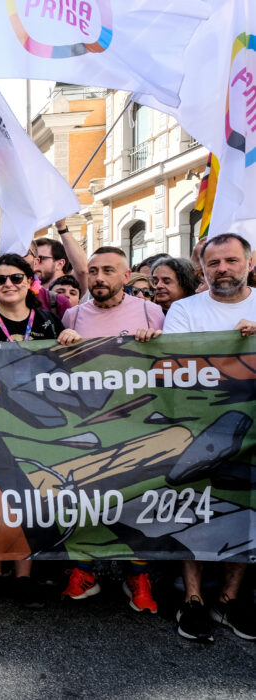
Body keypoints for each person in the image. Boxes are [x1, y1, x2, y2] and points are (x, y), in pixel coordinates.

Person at [0, 253, 81, 607]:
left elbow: (70, 368)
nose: (8, 284)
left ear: (29, 282)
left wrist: (71, 338)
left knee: (29, 496)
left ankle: (24, 576)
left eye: (16, 278)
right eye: (0, 279)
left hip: (38, 420)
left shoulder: (50, 321)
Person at [156, 233, 256, 643]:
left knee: (246, 508)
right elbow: (177, 364)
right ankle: (193, 599)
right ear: (202, 269)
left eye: (231, 261)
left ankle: (230, 599)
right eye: (213, 263)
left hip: (251, 431)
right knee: (192, 508)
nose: (223, 270)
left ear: (249, 263)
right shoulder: (183, 309)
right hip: (197, 426)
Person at [59, 247, 165, 613]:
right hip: (90, 422)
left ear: (126, 276)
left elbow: (175, 362)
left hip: (140, 420)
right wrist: (65, 344)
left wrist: (156, 342)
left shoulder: (152, 312)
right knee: (88, 497)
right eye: (93, 271)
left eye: (108, 270)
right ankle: (84, 569)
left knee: (139, 498)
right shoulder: (72, 313)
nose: (99, 278)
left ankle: (138, 574)